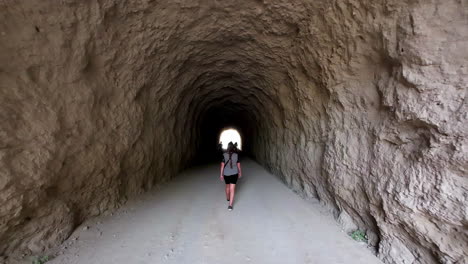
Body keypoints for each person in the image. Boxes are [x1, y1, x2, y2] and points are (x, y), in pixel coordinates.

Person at [220, 142, 242, 211]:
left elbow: (222, 166)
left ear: (227, 147)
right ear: (233, 148)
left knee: (227, 186)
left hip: (226, 173)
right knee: (232, 189)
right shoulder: (236, 155)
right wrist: (240, 172)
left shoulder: (224, 155)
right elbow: (238, 165)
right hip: (234, 173)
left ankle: (228, 198)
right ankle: (230, 205)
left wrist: (221, 174)